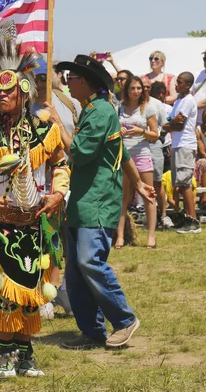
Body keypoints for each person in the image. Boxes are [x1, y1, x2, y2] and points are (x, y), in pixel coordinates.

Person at [0, 38, 69, 379]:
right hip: (1, 225)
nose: (2, 96)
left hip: (36, 222)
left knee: (35, 293)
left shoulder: (44, 132)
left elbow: (61, 163)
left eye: (9, 92)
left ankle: (26, 356)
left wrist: (57, 194)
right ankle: (3, 357)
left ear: (24, 93)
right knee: (4, 294)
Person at [44, 55, 155, 350]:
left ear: (85, 82)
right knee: (77, 272)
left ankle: (124, 319)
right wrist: (140, 183)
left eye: (73, 78)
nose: (68, 82)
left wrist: (58, 124)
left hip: (97, 200)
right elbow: (122, 151)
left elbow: (79, 153)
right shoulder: (92, 110)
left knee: (88, 261)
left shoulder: (101, 111)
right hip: (82, 201)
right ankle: (92, 332)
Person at [32, 57, 81, 318]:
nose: (40, 82)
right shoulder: (23, 106)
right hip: (38, 184)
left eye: (43, 77)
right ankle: (44, 292)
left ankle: (61, 289)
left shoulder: (68, 102)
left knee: (68, 240)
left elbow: (79, 140)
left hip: (71, 180)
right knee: (44, 239)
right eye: (35, 77)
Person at [116, 76, 159, 249]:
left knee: (148, 195)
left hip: (142, 154)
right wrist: (119, 130)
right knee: (123, 198)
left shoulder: (147, 108)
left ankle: (151, 236)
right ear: (126, 90)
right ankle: (120, 237)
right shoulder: (119, 108)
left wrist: (141, 131)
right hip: (124, 156)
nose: (136, 91)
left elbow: (156, 134)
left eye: (139, 88)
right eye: (132, 88)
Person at [162, 72, 201, 234]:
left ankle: (193, 221)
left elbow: (179, 124)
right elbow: (171, 121)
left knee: (185, 183)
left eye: (179, 82)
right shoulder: (178, 101)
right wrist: (171, 122)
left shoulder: (188, 100)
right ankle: (187, 218)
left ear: (188, 85)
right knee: (180, 183)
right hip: (178, 144)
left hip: (185, 144)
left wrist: (171, 124)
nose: (176, 85)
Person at [143, 80, 172, 229]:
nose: (145, 89)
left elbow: (165, 124)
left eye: (148, 87)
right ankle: (145, 216)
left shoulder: (156, 104)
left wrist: (158, 136)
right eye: (143, 86)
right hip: (135, 146)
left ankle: (163, 215)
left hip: (154, 146)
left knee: (157, 182)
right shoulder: (129, 104)